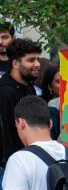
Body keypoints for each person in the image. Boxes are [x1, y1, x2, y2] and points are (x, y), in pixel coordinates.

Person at [0, 37, 40, 165]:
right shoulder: (5, 93)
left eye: (37, 59)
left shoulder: (29, 87)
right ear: (16, 64)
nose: (37, 64)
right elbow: (7, 137)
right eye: (31, 60)